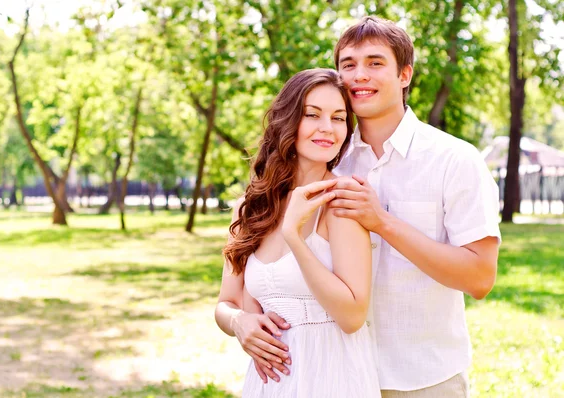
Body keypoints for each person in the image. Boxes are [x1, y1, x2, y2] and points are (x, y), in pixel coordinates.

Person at [229, 16, 502, 398]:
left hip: (421, 377)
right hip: (334, 374)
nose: (360, 75)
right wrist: (241, 318)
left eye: (375, 63)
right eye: (348, 64)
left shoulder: (454, 160)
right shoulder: (328, 159)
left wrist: (383, 223)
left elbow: (480, 278)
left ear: (405, 74)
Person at [214, 68, 382, 397]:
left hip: (331, 376)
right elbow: (226, 303)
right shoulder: (251, 208)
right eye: (312, 115)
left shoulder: (341, 205)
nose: (327, 128)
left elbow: (352, 316)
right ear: (288, 120)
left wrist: (293, 234)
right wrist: (238, 322)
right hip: (270, 383)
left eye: (338, 118)